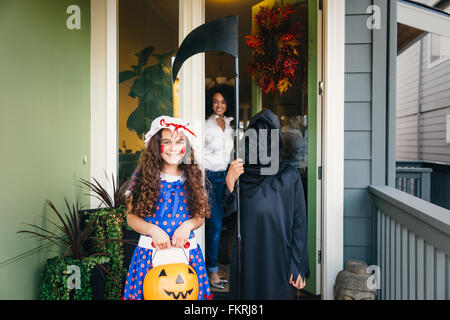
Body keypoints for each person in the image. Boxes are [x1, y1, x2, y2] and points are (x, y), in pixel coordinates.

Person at [123, 116, 212, 300]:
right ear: (156, 145)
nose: (174, 148)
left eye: (180, 141)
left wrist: (187, 226)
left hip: (187, 256)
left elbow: (199, 217)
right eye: (167, 142)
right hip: (150, 256)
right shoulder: (142, 178)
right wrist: (152, 229)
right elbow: (131, 218)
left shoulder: (193, 177)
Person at [223, 110, 309, 300]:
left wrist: (298, 264)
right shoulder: (240, 173)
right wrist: (229, 182)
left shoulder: (289, 176)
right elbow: (226, 215)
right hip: (247, 255)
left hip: (279, 257)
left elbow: (299, 223)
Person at [204, 86, 235, 290]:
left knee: (221, 224)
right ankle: (212, 271)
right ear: (210, 103)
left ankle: (212, 266)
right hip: (208, 179)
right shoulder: (205, 126)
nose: (219, 105)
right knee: (214, 225)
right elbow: (195, 153)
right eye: (215, 101)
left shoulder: (230, 126)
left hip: (225, 178)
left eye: (222, 102)